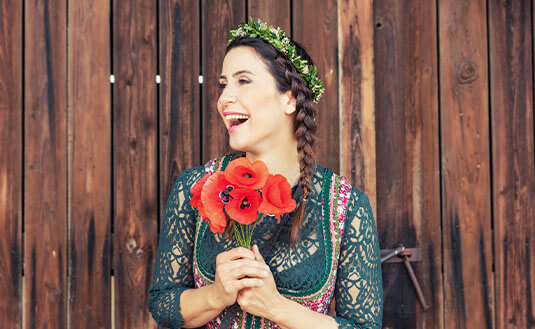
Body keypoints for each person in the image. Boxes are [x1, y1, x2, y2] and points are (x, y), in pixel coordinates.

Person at [148, 17, 383, 329]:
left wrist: (277, 308)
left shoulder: (345, 207)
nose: (223, 99)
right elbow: (162, 303)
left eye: (243, 81)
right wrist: (215, 295)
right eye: (223, 84)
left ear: (289, 99)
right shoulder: (198, 186)